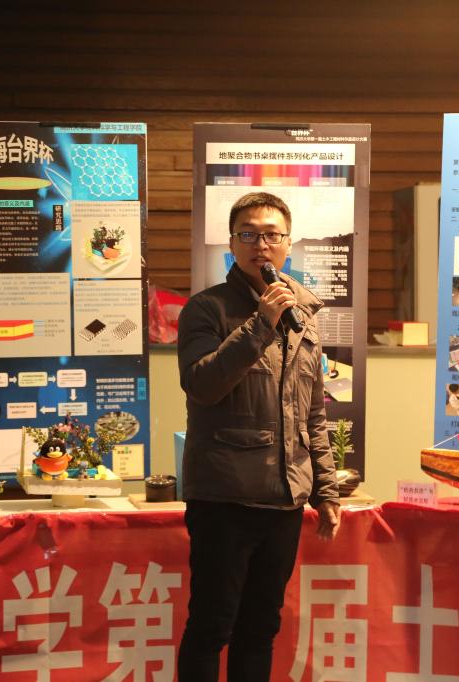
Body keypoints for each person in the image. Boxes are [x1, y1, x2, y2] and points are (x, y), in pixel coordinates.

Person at [176, 192, 341, 680]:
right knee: (212, 626)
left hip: (284, 499)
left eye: (271, 235)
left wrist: (325, 490)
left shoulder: (302, 313)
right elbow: (202, 385)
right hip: (224, 497)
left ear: (288, 244)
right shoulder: (206, 309)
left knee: (260, 628)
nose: (260, 245)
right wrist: (260, 323)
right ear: (232, 244)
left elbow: (313, 413)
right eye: (248, 234)